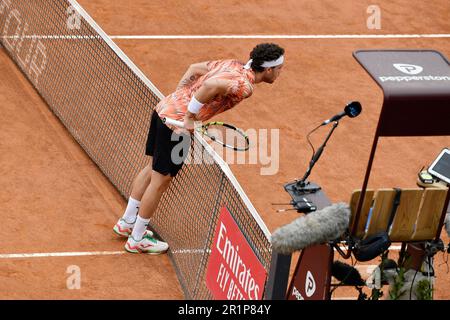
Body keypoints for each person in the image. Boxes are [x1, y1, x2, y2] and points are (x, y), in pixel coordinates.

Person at [113, 43, 285, 254]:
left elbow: (194, 68)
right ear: (268, 69)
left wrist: (178, 100)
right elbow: (210, 86)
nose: (280, 72)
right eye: (279, 68)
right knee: (160, 181)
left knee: (151, 169)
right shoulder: (244, 86)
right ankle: (137, 238)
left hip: (163, 110)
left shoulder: (231, 64)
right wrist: (189, 116)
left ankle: (127, 222)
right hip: (176, 128)